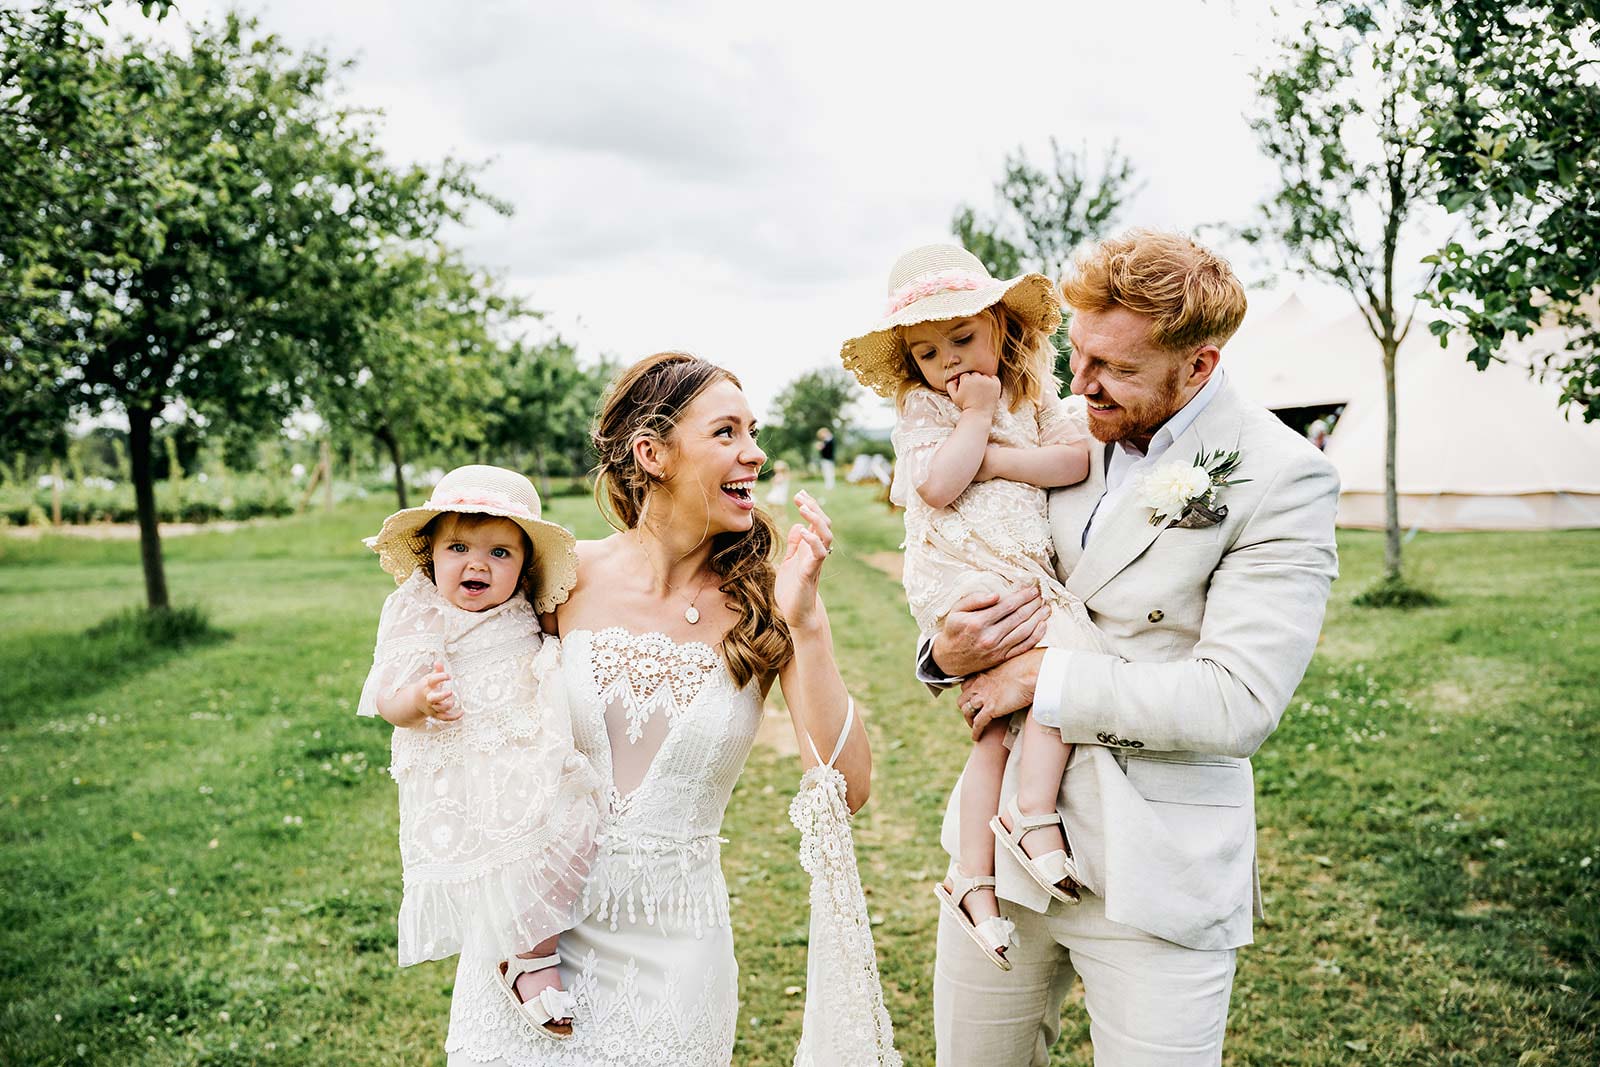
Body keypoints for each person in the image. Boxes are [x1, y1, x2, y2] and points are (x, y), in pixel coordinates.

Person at [918, 231, 1340, 1066]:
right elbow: (978, 551)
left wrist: (1045, 679)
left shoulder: (1282, 476)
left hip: (1158, 866)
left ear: (1200, 364)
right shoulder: (1060, 427)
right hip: (1001, 854)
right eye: (1078, 354)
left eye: (1113, 367)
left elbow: (1236, 702)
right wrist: (944, 653)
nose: (1082, 383)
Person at [444, 353, 885, 1067]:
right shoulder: (559, 577)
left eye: (753, 430)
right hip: (531, 938)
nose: (756, 452)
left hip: (676, 954)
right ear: (652, 453)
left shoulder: (771, 597)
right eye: (727, 432)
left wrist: (806, 622)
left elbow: (849, 784)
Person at [838, 244, 1109, 973]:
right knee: (1061, 658)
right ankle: (1033, 810)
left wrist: (994, 450)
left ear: (998, 324)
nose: (949, 361)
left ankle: (973, 877)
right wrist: (974, 419)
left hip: (1019, 569)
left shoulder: (1039, 394)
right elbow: (935, 487)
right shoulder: (926, 406)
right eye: (927, 351)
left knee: (1000, 722)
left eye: (962, 338)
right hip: (963, 573)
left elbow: (1073, 462)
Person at [359, 465, 602, 1039]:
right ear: (431, 555)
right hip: (464, 761)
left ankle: (531, 940)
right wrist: (419, 699)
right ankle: (530, 960)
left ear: (522, 567)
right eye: (459, 547)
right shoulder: (419, 611)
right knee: (502, 850)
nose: (477, 565)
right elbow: (387, 698)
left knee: (575, 822)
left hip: (527, 753)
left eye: (500, 553)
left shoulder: (523, 608)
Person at [815, 426, 837, 491]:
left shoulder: (829, 439)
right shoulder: (826, 440)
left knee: (829, 472)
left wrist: (821, 447)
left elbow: (827, 449)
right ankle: (829, 485)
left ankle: (830, 486)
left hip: (828, 459)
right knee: (827, 472)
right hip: (826, 459)